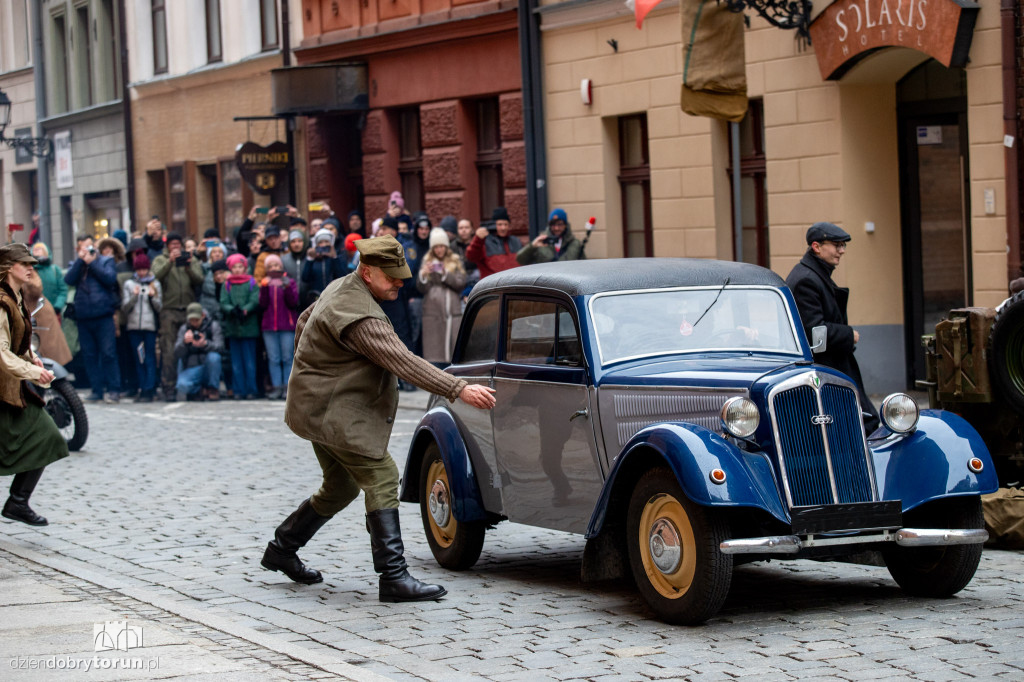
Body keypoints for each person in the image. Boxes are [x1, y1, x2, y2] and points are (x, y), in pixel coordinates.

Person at [260, 235, 496, 601]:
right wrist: (458, 388)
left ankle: (281, 549)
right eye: (392, 278)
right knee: (382, 475)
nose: (399, 283)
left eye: (402, 276)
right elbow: (403, 361)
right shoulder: (363, 316)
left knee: (340, 487)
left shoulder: (342, 286)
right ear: (368, 272)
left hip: (314, 407)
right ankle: (393, 577)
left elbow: (305, 320)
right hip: (330, 413)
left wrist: (310, 368)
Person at [786, 222, 880, 432]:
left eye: (843, 245)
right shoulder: (806, 280)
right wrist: (849, 335)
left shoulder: (813, 274)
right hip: (826, 370)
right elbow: (813, 332)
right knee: (863, 424)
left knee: (859, 423)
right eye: (836, 245)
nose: (842, 251)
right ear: (817, 247)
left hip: (831, 367)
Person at [0, 243, 68, 526]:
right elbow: (1, 353)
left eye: (31, 264)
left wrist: (33, 358)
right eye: (24, 264)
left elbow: (19, 341)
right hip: (4, 387)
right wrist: (30, 370)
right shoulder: (1, 303)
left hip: (12, 388)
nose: (31, 268)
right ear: (7, 268)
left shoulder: (16, 297)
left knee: (47, 435)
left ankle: (17, 502)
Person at [64, 234, 122, 403]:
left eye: (88, 247)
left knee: (108, 353)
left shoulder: (105, 261)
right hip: (83, 317)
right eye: (82, 247)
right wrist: (81, 261)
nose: (86, 250)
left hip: (103, 315)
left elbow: (110, 279)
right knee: (89, 355)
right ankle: (96, 389)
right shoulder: (77, 264)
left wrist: (92, 262)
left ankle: (114, 389)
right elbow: (69, 279)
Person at [152, 233, 204, 401]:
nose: (175, 247)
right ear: (168, 246)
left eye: (177, 244)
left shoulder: (190, 259)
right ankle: (169, 387)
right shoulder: (161, 260)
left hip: (189, 309)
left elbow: (199, 279)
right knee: (168, 350)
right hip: (168, 309)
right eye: (172, 244)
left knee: (192, 347)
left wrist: (188, 266)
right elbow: (155, 276)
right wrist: (169, 263)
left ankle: (193, 387)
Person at [417, 228, 466, 367]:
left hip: (452, 311)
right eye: (436, 246)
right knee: (435, 351)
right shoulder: (427, 261)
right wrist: (423, 274)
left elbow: (460, 283)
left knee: (453, 350)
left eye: (442, 246)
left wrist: (445, 274)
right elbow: (422, 288)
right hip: (433, 311)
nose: (439, 250)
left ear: (446, 246)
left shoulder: (455, 260)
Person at [121, 254, 162, 402]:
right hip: (134, 328)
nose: (142, 272)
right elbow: (125, 307)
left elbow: (159, 307)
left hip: (149, 327)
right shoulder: (129, 284)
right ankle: (142, 387)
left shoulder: (154, 284)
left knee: (150, 358)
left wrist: (152, 297)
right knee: (140, 359)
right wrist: (134, 296)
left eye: (144, 269)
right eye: (139, 270)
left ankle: (149, 389)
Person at [259, 255, 299, 400]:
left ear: (281, 267)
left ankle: (288, 388)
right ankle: (276, 386)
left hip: (286, 326)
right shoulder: (265, 283)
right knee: (273, 358)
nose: (273, 268)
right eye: (270, 266)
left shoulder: (290, 282)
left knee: (287, 358)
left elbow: (293, 302)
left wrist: (287, 287)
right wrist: (264, 288)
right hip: (269, 327)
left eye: (276, 265)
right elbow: (262, 305)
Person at [220, 254, 260, 400]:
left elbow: (255, 298)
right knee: (236, 362)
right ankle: (239, 390)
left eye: (240, 267)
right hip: (233, 326)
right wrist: (232, 309)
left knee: (250, 362)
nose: (237, 270)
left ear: (245, 267)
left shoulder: (251, 282)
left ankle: (251, 389)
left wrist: (246, 309)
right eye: (234, 267)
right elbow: (223, 301)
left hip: (248, 326)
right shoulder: (227, 284)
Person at [174, 302, 224, 401]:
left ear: (203, 315)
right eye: (192, 320)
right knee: (182, 386)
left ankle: (213, 388)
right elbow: (176, 353)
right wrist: (185, 343)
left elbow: (220, 347)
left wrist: (205, 344)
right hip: (192, 368)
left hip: (209, 367)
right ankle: (200, 390)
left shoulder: (213, 326)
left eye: (197, 320)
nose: (194, 323)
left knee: (214, 357)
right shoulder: (184, 329)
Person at [466, 207, 522, 278]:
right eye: (500, 224)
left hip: (515, 285)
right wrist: (477, 239)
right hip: (492, 286)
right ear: (494, 225)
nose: (503, 228)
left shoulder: (515, 241)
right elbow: (471, 257)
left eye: (505, 224)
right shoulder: (484, 242)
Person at [516, 208, 583, 265]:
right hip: (545, 279)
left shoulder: (575, 243)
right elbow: (520, 260)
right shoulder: (541, 242)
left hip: (568, 279)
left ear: (565, 225)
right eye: (553, 225)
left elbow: (583, 265)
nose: (556, 228)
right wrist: (532, 246)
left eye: (560, 224)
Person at [301, 229, 347, 307]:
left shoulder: (337, 257)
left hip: (334, 299)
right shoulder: (313, 260)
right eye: (320, 242)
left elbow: (343, 276)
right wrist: (310, 259)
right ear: (316, 245)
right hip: (316, 300)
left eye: (326, 242)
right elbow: (305, 278)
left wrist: (334, 257)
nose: (324, 245)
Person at [30, 242, 68, 315]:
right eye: (34, 249)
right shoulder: (30, 270)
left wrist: (58, 306)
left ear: (46, 252)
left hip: (53, 312)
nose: (36, 250)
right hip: (34, 312)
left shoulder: (55, 270)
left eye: (40, 248)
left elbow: (63, 290)